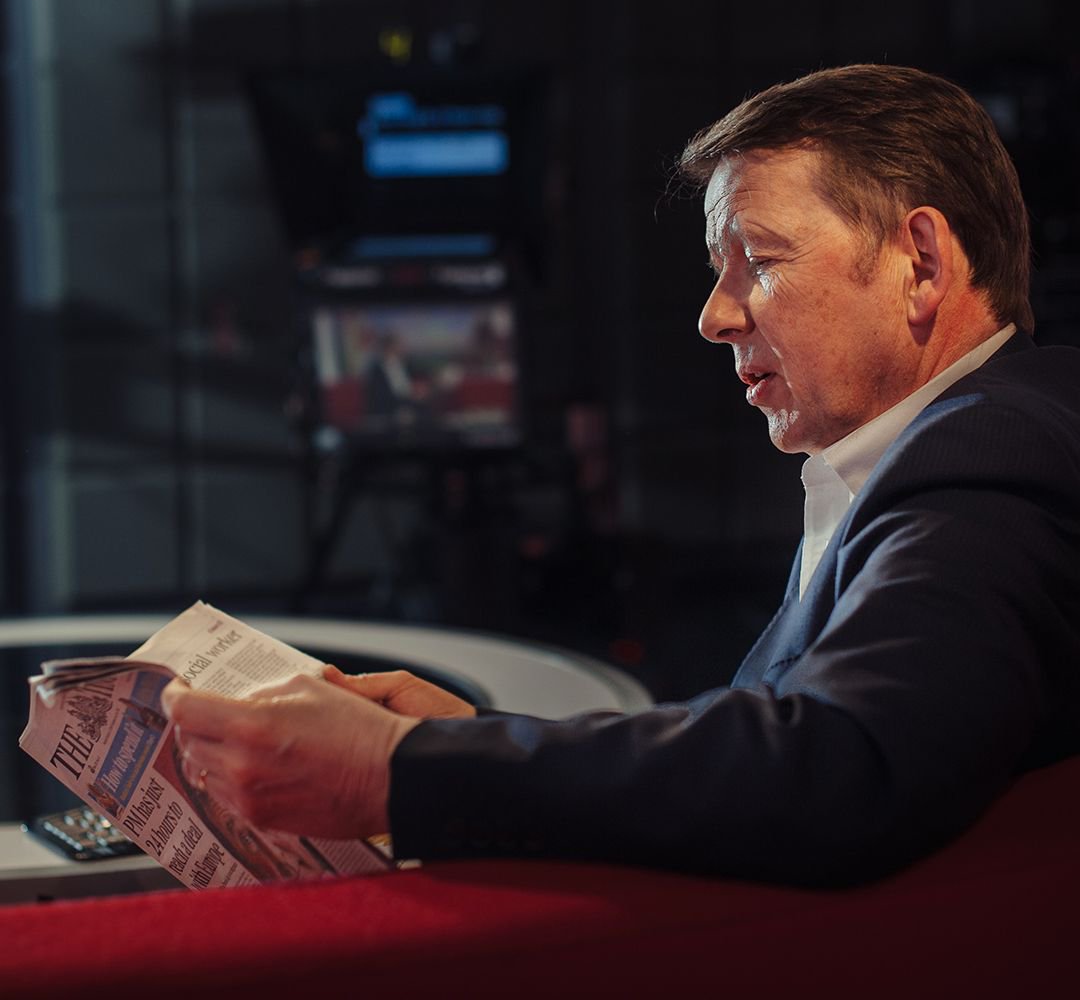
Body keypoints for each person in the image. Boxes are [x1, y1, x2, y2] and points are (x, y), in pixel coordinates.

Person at [163, 65, 1080, 887]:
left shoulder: (990, 451)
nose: (715, 317)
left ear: (921, 262)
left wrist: (397, 770)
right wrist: (469, 741)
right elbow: (768, 738)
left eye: (760, 261)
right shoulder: (963, 442)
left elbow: (839, 764)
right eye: (720, 271)